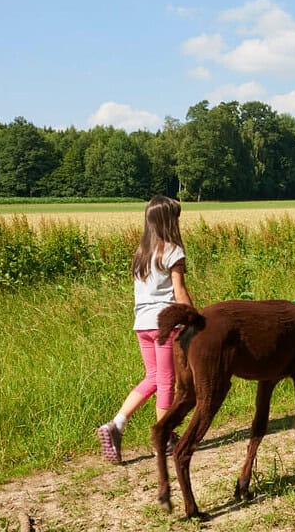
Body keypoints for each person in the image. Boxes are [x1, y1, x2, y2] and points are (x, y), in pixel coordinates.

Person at [97, 196, 193, 464]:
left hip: (142, 324)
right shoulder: (173, 251)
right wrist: (194, 317)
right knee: (166, 381)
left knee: (152, 376)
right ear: (168, 222)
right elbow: (180, 291)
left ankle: (116, 424)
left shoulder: (141, 254)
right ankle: (164, 437)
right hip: (164, 324)